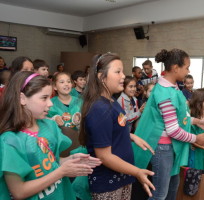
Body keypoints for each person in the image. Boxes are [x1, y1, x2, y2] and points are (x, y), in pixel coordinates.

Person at [0, 71, 101, 200]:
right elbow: (19, 192)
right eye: (44, 98)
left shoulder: (49, 126)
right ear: (22, 98)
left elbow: (51, 163)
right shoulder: (10, 141)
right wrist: (62, 172)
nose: (50, 103)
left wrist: (71, 159)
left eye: (50, 97)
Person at [133, 49, 204, 200]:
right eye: (187, 67)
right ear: (175, 68)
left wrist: (196, 121)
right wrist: (196, 138)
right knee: (159, 194)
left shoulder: (172, 87)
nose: (188, 71)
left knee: (172, 188)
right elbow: (172, 130)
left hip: (170, 147)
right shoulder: (165, 93)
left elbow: (177, 118)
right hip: (162, 148)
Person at [79, 52, 155, 199]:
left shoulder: (110, 101)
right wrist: (137, 171)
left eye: (123, 71)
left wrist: (131, 136)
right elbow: (105, 157)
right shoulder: (100, 108)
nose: (122, 76)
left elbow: (112, 129)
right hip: (108, 183)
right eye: (118, 72)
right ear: (102, 77)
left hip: (122, 176)